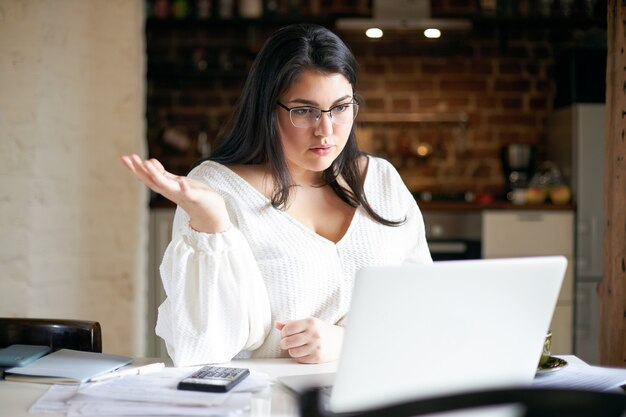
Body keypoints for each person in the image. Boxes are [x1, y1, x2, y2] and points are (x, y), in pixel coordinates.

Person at [122, 23, 432, 367]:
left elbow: (424, 313)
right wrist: (211, 224)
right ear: (268, 108)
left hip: (382, 393)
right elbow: (201, 351)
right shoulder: (217, 189)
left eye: (341, 107)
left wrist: (346, 343)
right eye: (303, 111)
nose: (325, 130)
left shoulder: (381, 180)